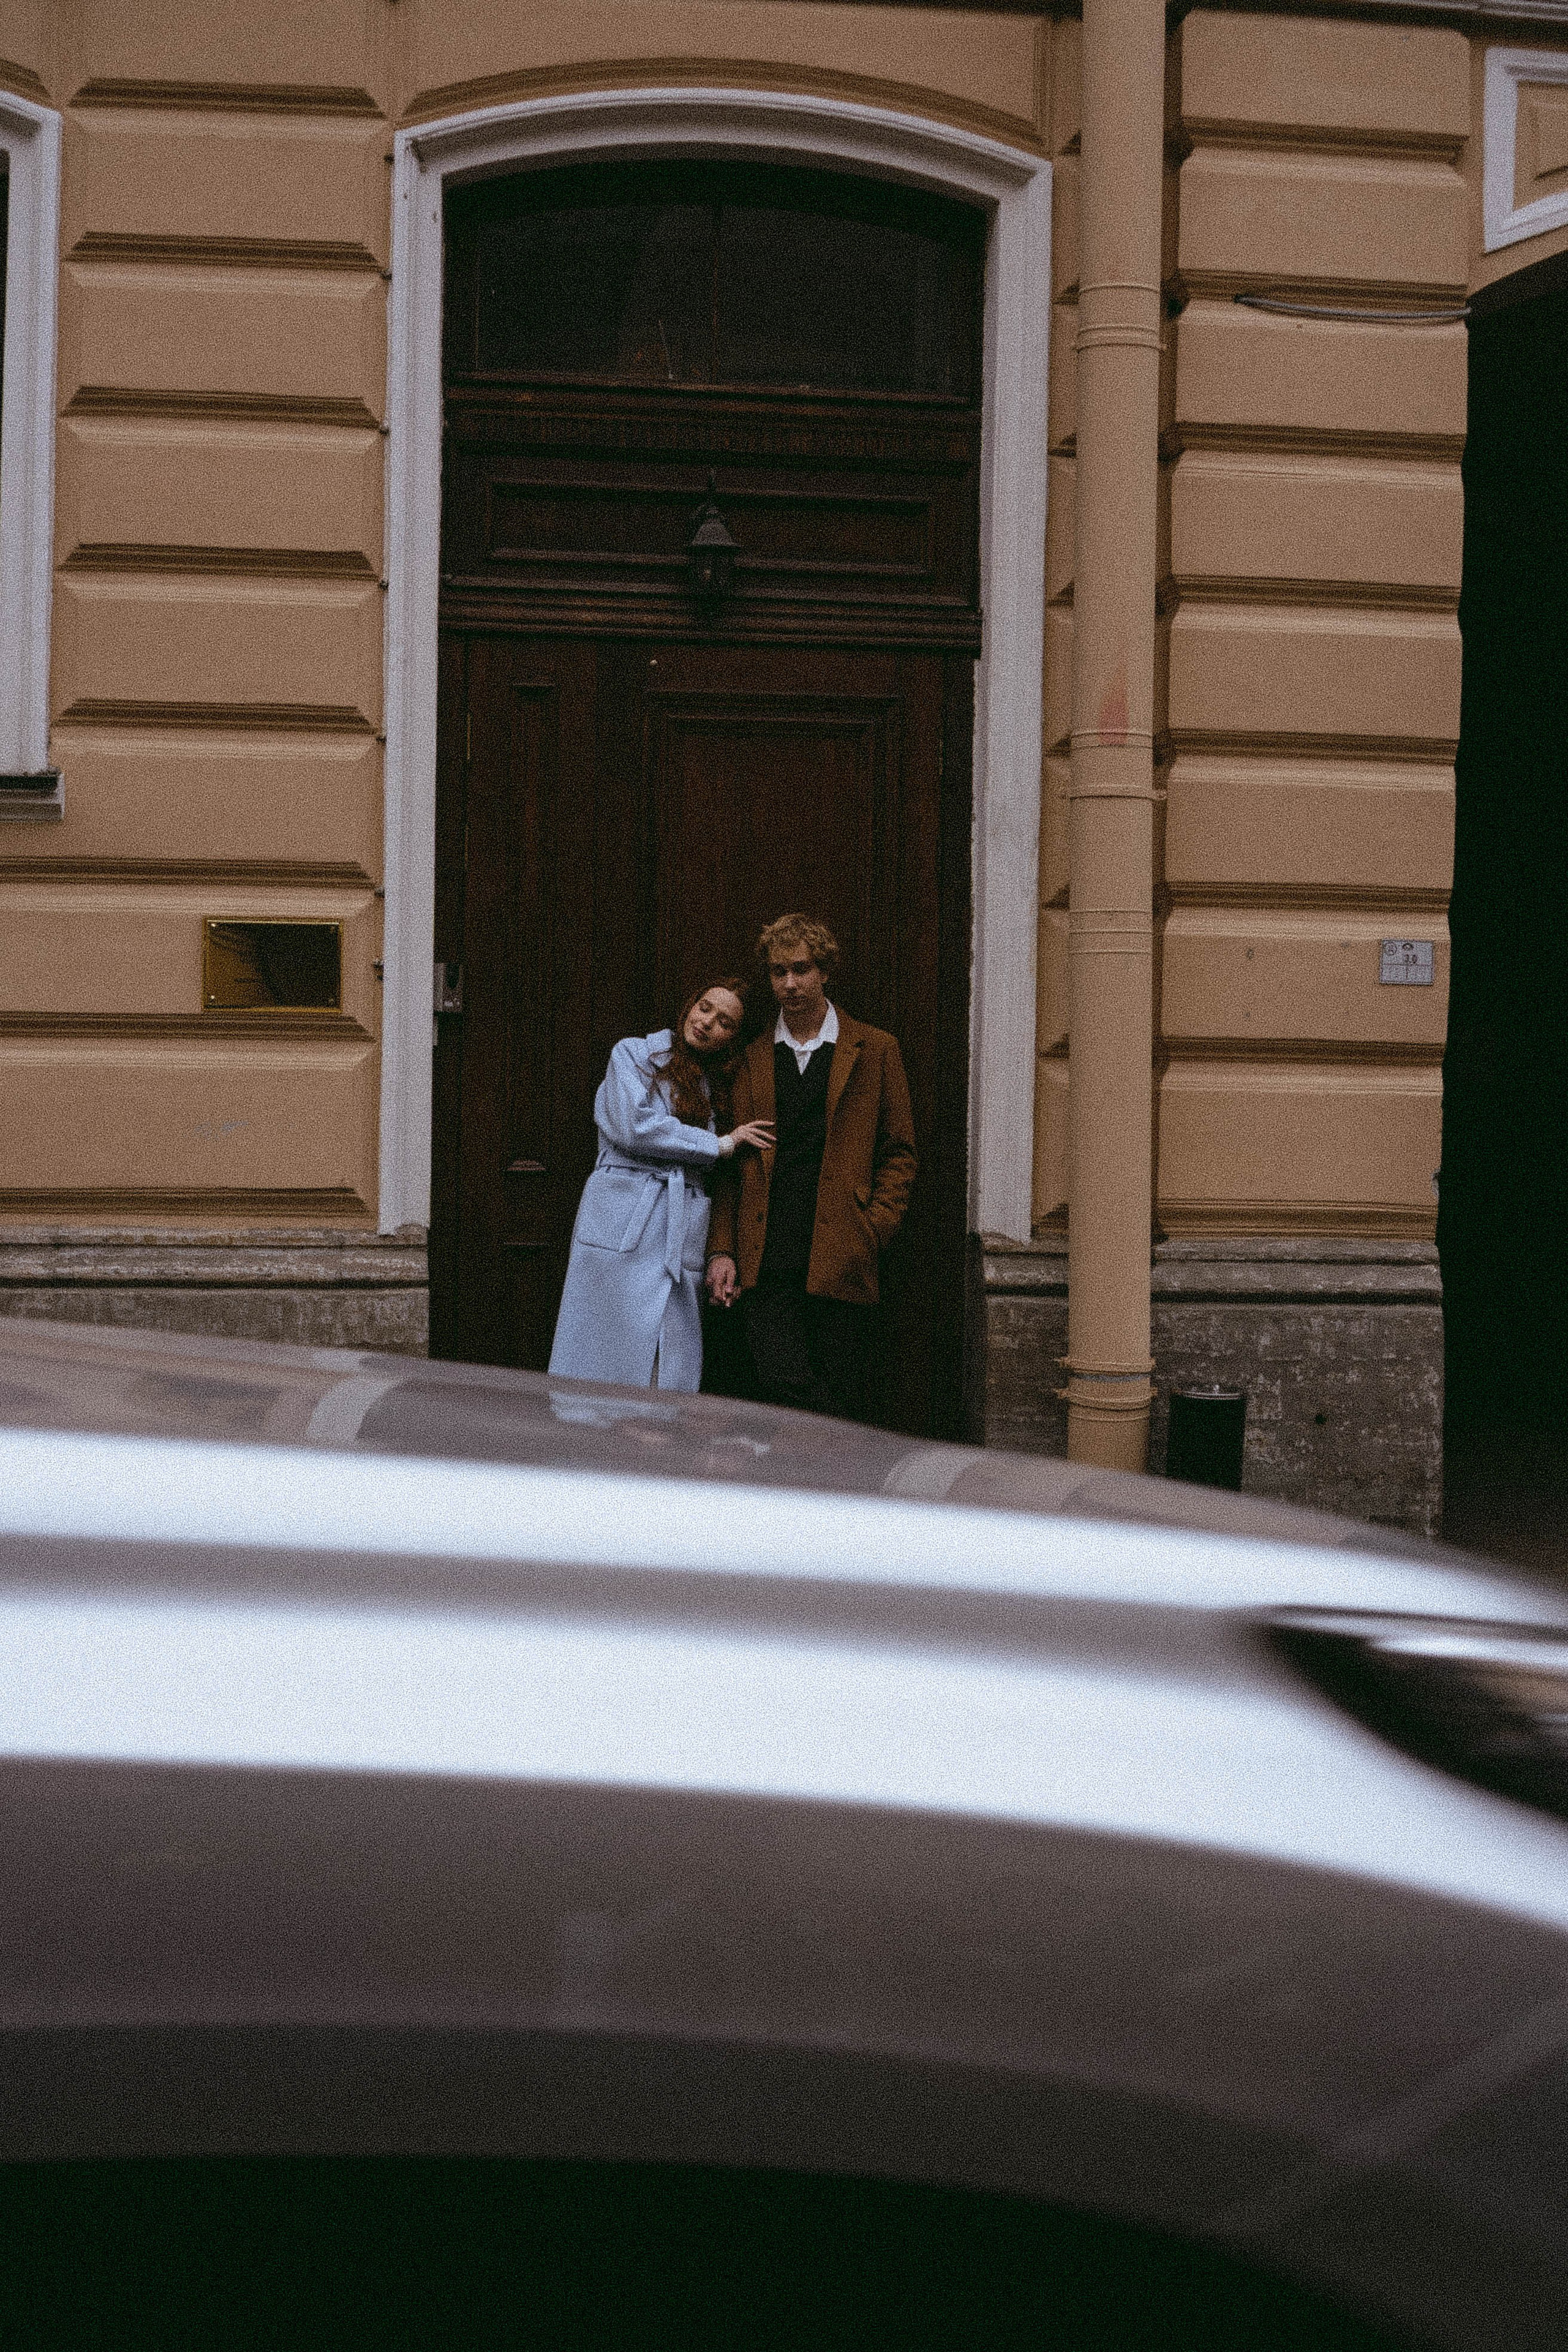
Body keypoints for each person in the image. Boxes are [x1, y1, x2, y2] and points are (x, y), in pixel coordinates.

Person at [705, 916, 916, 1420]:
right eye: (778, 972)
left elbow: (899, 1153)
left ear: (824, 972)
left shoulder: (875, 1049)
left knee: (837, 1389)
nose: (789, 984)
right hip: (766, 1256)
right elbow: (731, 1167)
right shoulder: (751, 1057)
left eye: (801, 969)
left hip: (842, 1251)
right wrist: (722, 1249)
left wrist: (873, 1227)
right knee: (783, 1381)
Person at [549, 980, 774, 1390]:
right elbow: (634, 1126)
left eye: (725, 1022)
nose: (708, 1023)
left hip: (680, 1222)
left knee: (666, 1363)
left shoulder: (718, 1085)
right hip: (623, 1220)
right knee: (601, 1355)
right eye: (705, 1007)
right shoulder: (634, 1054)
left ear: (733, 1039)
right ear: (690, 1005)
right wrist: (720, 1144)